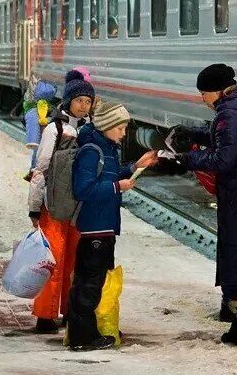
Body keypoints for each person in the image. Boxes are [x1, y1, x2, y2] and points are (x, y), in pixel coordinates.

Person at [141, 64, 237, 345]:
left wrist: (184, 158)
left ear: (217, 91)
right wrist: (193, 133)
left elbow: (223, 159)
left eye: (203, 93)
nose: (202, 99)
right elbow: (229, 137)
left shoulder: (229, 113)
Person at [67, 100, 147, 351]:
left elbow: (110, 176)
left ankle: (88, 332)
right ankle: (81, 338)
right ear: (107, 126)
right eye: (120, 128)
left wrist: (135, 167)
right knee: (88, 284)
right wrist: (116, 187)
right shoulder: (92, 151)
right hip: (94, 227)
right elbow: (83, 188)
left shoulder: (106, 148)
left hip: (104, 225)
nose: (124, 134)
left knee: (94, 281)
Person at [28, 70, 94, 333]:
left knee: (75, 263)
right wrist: (34, 206)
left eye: (88, 101)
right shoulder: (54, 129)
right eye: (79, 100)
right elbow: (40, 169)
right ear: (68, 101)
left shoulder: (89, 129)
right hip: (54, 207)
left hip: (79, 207)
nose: (84, 105)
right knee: (52, 262)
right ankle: (45, 316)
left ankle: (69, 310)